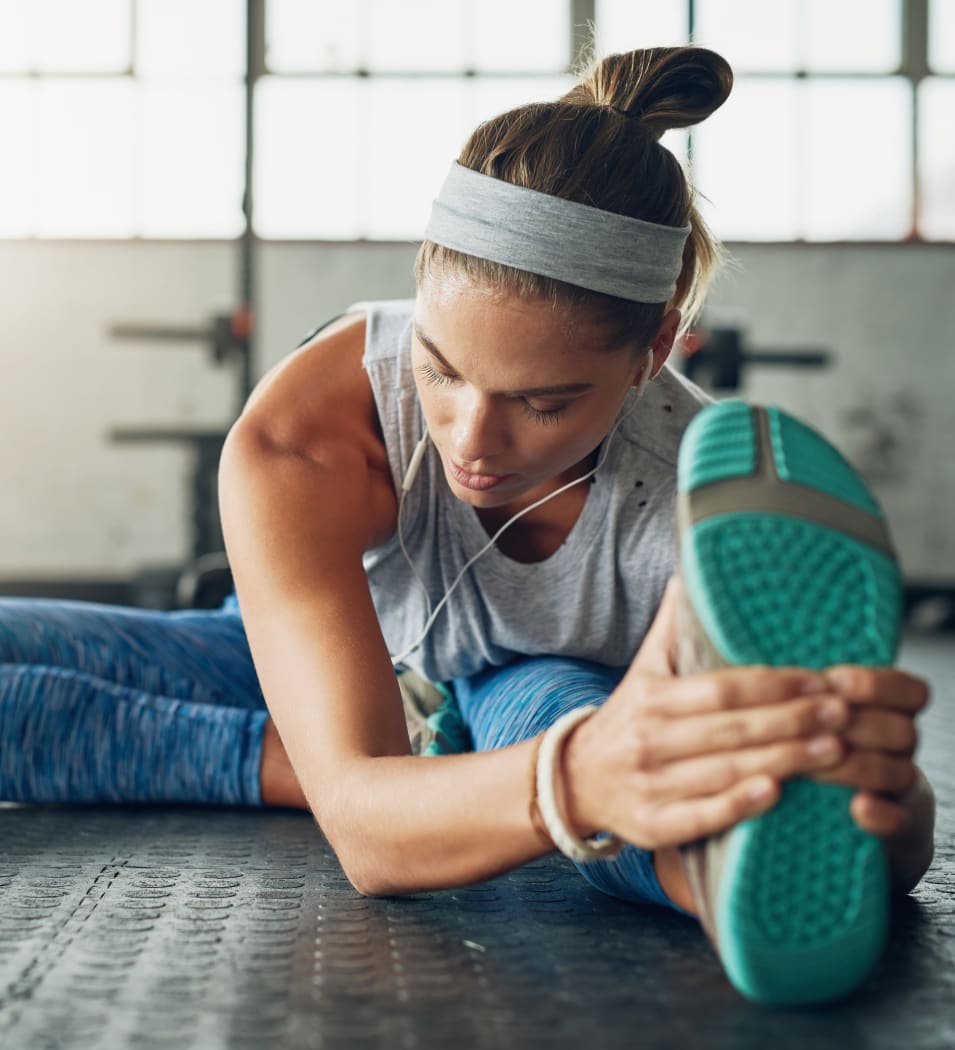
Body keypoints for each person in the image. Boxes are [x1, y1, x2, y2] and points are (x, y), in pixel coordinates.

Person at [0, 46, 935, 1006]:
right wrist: (354, 780)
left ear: (656, 347)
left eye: (543, 402)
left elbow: (797, 789)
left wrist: (882, 813)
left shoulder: (696, 508)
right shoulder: (304, 435)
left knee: (568, 718)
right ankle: (341, 769)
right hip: (354, 655)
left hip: (547, 699)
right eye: (441, 370)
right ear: (418, 285)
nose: (472, 442)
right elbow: (364, 827)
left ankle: (698, 878)